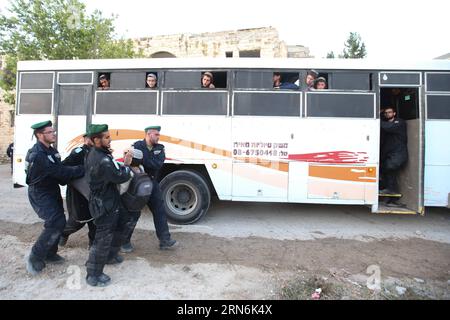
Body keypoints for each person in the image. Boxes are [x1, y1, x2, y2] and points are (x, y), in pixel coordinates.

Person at [24, 120, 85, 275]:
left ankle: (50, 253)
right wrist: (81, 169)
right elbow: (60, 173)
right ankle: (35, 256)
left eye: (53, 131)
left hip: (51, 190)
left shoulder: (50, 151)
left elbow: (60, 174)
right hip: (40, 192)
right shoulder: (38, 154)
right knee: (55, 221)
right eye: (50, 132)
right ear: (39, 135)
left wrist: (68, 174)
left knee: (58, 221)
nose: (53, 134)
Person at [85, 124, 133, 286]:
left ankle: (110, 255)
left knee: (123, 223)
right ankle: (93, 274)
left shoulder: (100, 154)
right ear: (96, 140)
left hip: (109, 200)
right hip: (104, 204)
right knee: (102, 238)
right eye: (106, 137)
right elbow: (120, 176)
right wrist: (126, 164)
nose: (110, 139)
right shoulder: (102, 159)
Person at [130, 125, 176, 252]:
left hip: (152, 183)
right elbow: (132, 163)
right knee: (134, 213)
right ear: (149, 134)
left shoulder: (160, 149)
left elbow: (157, 165)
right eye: (156, 134)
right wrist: (143, 162)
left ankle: (165, 241)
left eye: (158, 135)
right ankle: (124, 242)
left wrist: (142, 161)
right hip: (139, 183)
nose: (158, 137)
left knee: (159, 211)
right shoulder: (137, 146)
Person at [59, 132, 96, 249]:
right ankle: (61, 234)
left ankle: (93, 244)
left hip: (93, 192)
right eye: (92, 138)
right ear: (86, 139)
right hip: (78, 193)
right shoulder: (78, 152)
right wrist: (81, 170)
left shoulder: (98, 152)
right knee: (77, 221)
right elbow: (63, 167)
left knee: (95, 219)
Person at [380, 107, 408, 196]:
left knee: (390, 167)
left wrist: (376, 119)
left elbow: (389, 127)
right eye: (385, 113)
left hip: (398, 153)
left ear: (394, 113)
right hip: (388, 153)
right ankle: (388, 190)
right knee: (385, 169)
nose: (387, 114)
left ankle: (391, 189)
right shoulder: (385, 124)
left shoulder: (399, 122)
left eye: (389, 112)